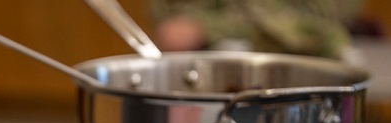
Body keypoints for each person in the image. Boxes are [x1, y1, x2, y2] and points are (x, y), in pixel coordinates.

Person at [149, 0, 367, 59]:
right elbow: (172, 24)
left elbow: (324, 29)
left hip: (299, 77)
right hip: (204, 73)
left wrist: (210, 26)